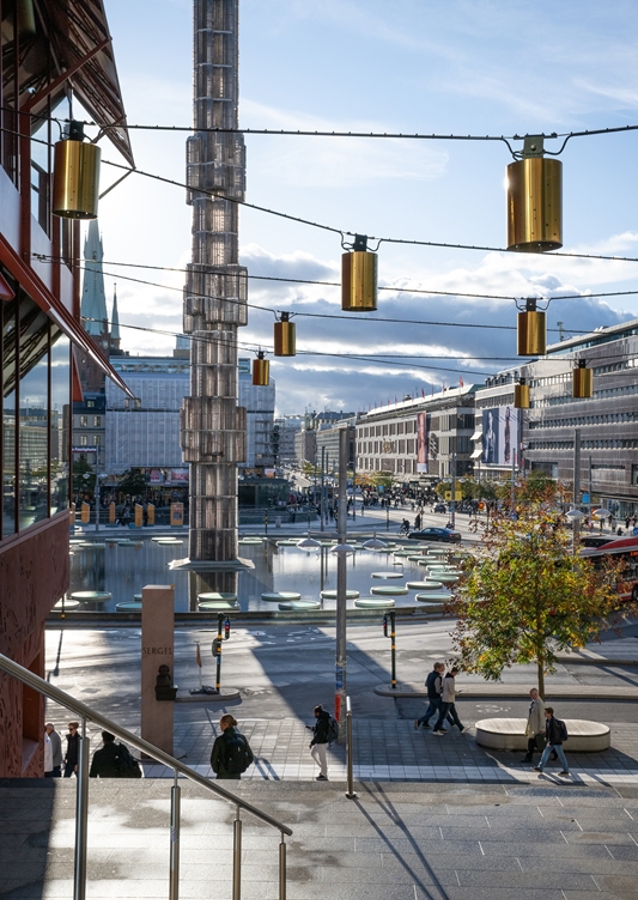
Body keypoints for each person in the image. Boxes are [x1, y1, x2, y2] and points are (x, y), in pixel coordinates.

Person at [210, 714, 254, 780]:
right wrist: (243, 765)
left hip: (223, 774)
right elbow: (250, 756)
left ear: (225, 724)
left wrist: (219, 770)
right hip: (237, 774)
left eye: (221, 724)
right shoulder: (241, 738)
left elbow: (213, 759)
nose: (220, 726)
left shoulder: (220, 740)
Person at [415, 662, 453, 730]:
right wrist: (444, 690)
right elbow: (438, 691)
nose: (444, 669)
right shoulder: (438, 677)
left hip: (430, 695)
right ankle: (440, 727)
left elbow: (426, 684)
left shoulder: (430, 674)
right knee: (443, 712)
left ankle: (422, 722)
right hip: (436, 697)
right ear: (438, 668)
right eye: (442, 668)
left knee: (432, 711)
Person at [534, 708, 570, 777]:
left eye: (546, 713)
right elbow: (550, 732)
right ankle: (540, 767)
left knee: (561, 756)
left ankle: (566, 770)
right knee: (545, 754)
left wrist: (551, 742)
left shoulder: (553, 723)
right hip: (552, 742)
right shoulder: (548, 721)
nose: (544, 714)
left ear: (550, 713)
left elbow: (556, 734)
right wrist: (544, 733)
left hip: (556, 742)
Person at [433, 667, 466, 735]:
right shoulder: (451, 679)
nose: (455, 675)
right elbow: (451, 691)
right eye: (456, 673)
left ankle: (461, 728)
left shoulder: (446, 678)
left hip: (447, 699)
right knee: (443, 716)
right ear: (453, 672)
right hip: (448, 700)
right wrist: (458, 692)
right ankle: (435, 729)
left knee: (454, 715)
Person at [521, 688, 545, 763]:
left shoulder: (540, 704)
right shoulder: (534, 702)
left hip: (536, 728)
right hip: (533, 727)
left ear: (535, 694)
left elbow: (542, 717)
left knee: (531, 743)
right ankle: (554, 752)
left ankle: (528, 757)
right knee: (533, 743)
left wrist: (542, 727)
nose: (530, 696)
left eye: (531, 695)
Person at [309, 704, 330, 781]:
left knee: (322, 758)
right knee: (313, 753)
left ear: (317, 713)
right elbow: (319, 729)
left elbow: (319, 734)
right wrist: (313, 728)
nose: (314, 714)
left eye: (314, 713)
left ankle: (324, 773)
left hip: (322, 742)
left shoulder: (321, 721)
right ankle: (323, 768)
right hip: (321, 742)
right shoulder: (322, 718)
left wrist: (312, 742)